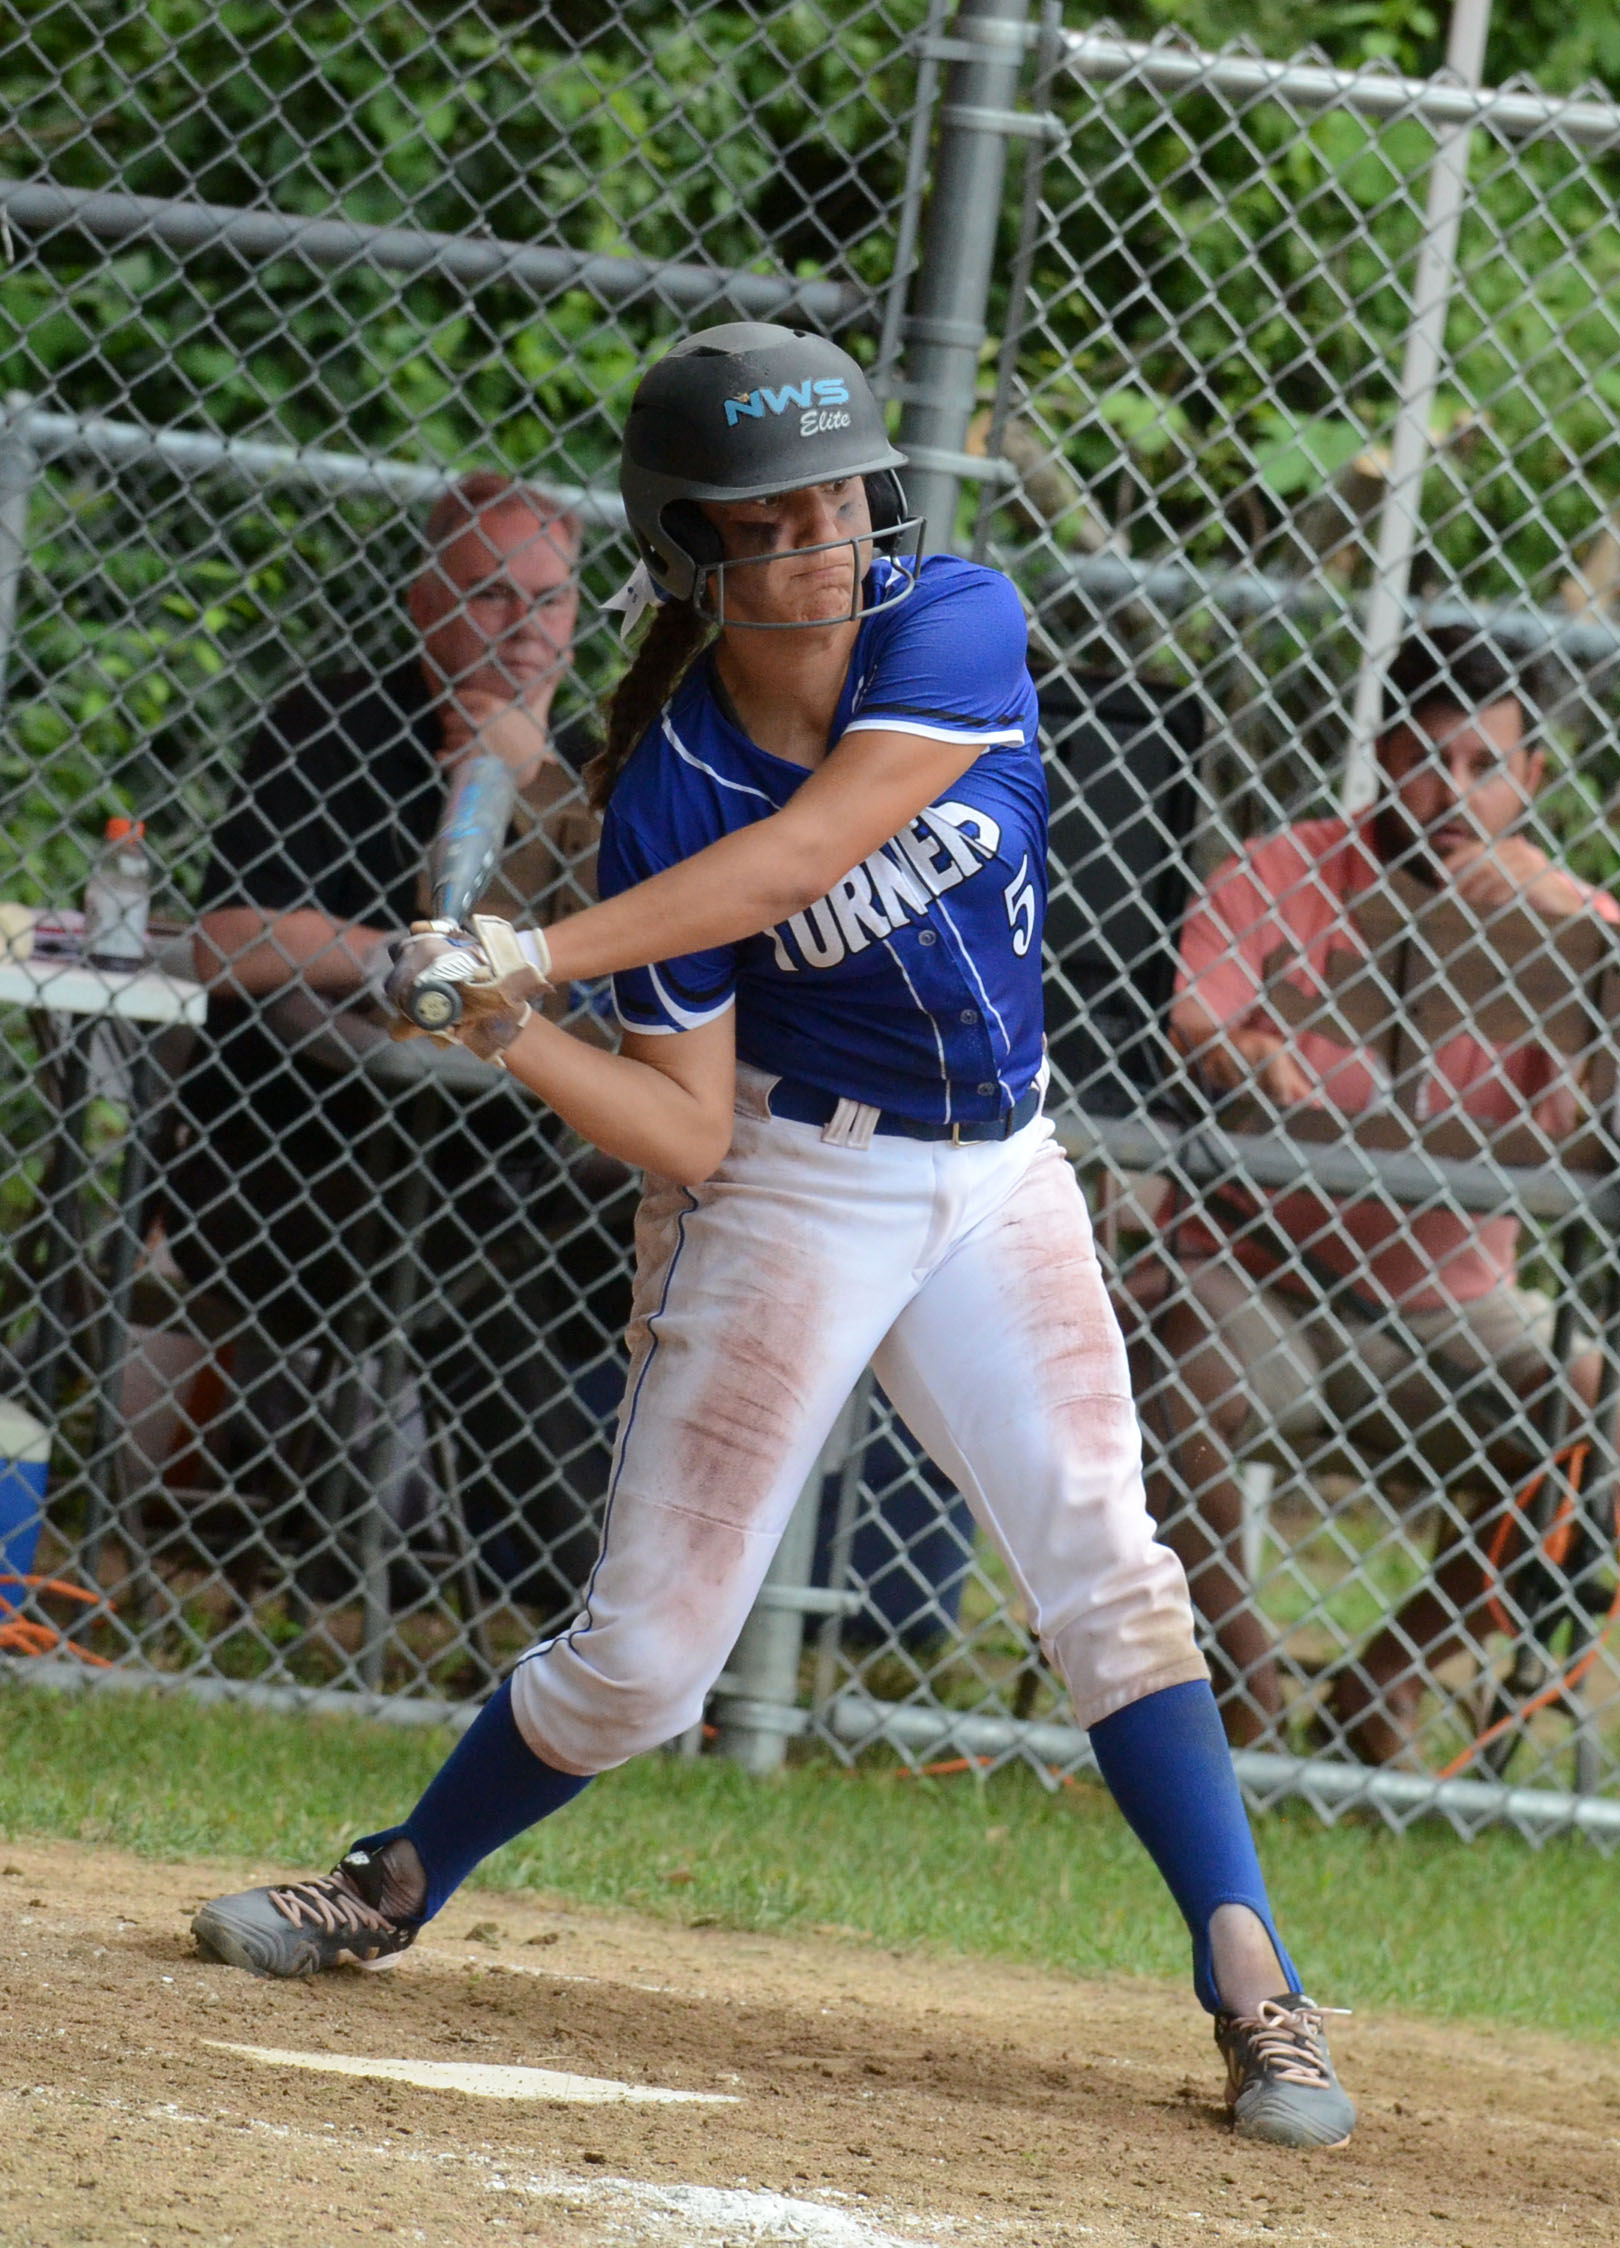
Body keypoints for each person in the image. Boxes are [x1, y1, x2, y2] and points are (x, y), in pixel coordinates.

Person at [190, 322, 1355, 2150]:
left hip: (997, 1169)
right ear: (691, 551)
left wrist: (535, 948)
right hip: (800, 1185)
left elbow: (817, 849)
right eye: (767, 514)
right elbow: (683, 1128)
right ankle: (398, 1873)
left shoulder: (951, 620)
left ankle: (1255, 1986)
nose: (821, 533)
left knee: (1107, 1565)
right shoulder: (668, 785)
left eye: (836, 496)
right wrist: (514, 1026)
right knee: (649, 1661)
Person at [1141, 626, 1618, 1760]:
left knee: (1602, 1414)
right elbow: (1194, 1021)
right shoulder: (1279, 870)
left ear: (1533, 779)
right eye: (1425, 760)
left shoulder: (1578, 927)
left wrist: (1548, 916)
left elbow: (1596, 1125)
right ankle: (1240, 1683)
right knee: (1180, 1355)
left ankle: (1384, 1676)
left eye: (1483, 766)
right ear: (1380, 754)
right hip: (1257, 1274)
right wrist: (1245, 1057)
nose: (1452, 793)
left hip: (1451, 1305)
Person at [161, 473, 616, 1621]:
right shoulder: (332, 724)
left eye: (550, 603)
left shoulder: (603, 772)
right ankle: (610, 1627)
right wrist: (389, 964)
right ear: (424, 603)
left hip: (521, 1175)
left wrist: (527, 782)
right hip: (291, 1165)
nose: (523, 632)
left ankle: (626, 1626)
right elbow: (222, 943)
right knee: (470, 1278)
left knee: (557, 1245)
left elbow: (628, 986)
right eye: (489, 597)